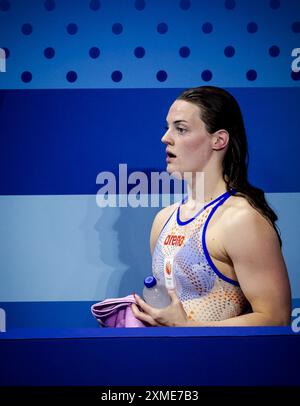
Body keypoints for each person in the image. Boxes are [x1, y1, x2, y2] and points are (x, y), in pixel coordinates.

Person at [131, 85, 291, 327]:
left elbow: (275, 317)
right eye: (168, 128)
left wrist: (187, 328)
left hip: (224, 364)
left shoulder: (241, 220)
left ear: (219, 140)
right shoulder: (163, 220)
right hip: (169, 362)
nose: (166, 138)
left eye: (181, 129)